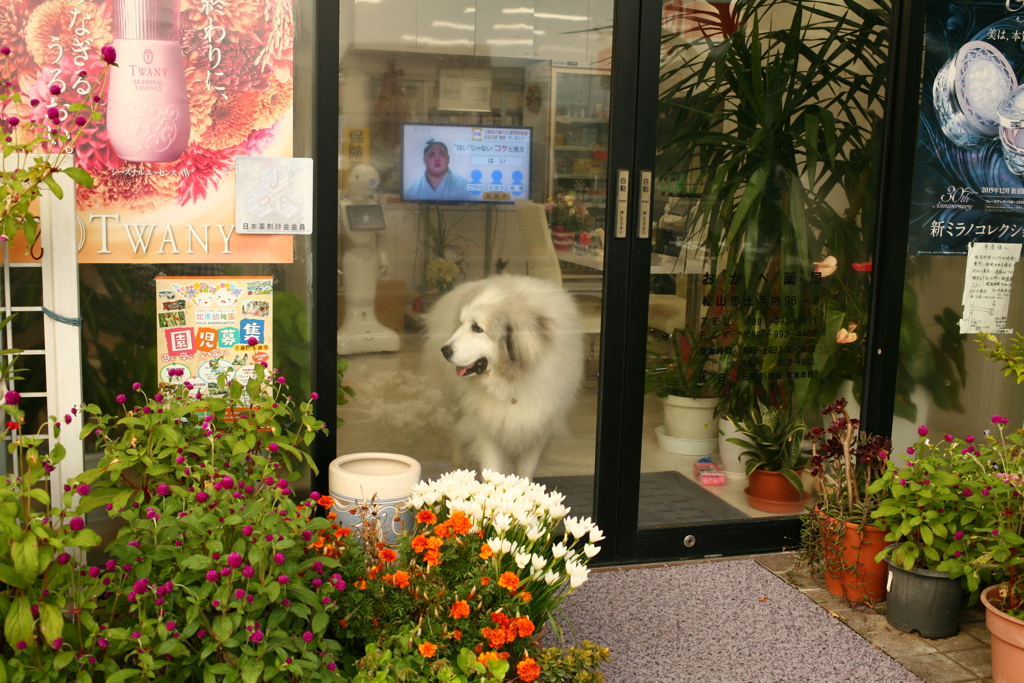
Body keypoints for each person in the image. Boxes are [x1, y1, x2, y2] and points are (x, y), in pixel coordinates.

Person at [405, 139, 473, 201]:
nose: (437, 159)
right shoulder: (410, 191)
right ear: (424, 160)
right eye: (432, 155)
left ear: (448, 159)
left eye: (442, 155)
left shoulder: (466, 187)